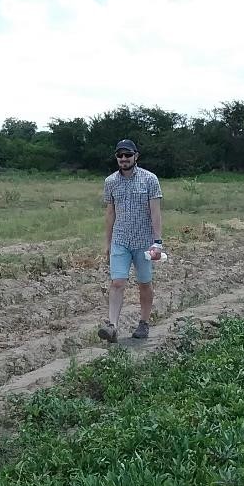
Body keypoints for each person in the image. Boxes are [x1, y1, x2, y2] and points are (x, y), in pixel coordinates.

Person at [99, 138, 163, 343]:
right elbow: (110, 213)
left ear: (136, 156)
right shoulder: (110, 182)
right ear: (116, 158)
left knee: (144, 283)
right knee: (117, 282)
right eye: (120, 155)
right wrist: (108, 243)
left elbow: (155, 212)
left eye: (128, 155)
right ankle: (112, 326)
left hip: (144, 242)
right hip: (120, 240)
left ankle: (144, 323)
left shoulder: (149, 179)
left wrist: (157, 242)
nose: (124, 158)